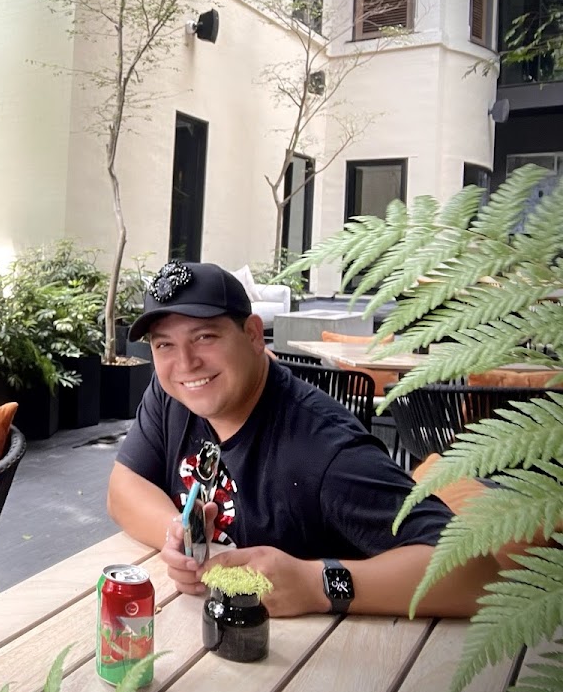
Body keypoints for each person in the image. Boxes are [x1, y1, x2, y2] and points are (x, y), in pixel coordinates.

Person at [106, 260, 500, 619]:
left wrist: (316, 584)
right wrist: (178, 534)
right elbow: (123, 487)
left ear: (253, 335)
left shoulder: (324, 448)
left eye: (205, 337)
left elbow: (476, 574)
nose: (185, 363)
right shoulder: (173, 395)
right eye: (164, 344)